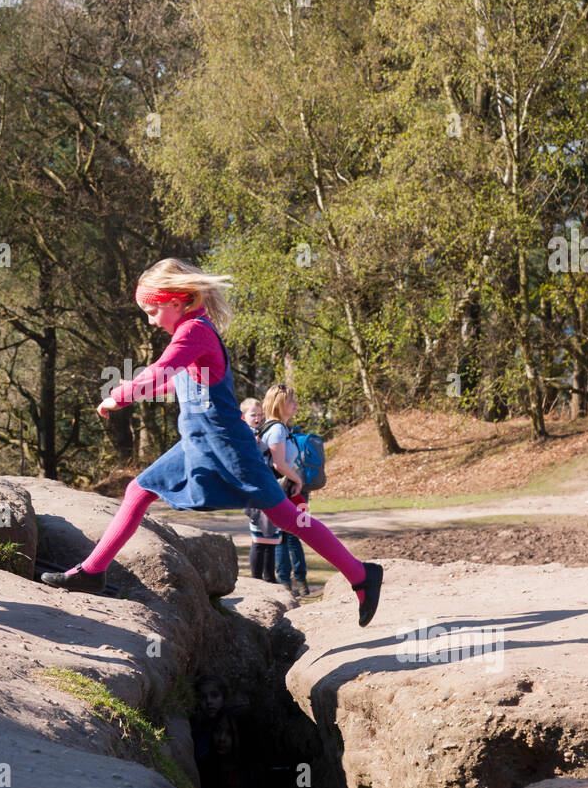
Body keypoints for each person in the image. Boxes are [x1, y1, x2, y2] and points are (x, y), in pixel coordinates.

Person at [39, 258, 383, 627]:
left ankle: (362, 575)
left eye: (152, 311)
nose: (151, 320)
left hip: (227, 445)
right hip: (196, 442)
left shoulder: (194, 331)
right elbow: (175, 381)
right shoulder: (190, 333)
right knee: (138, 490)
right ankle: (93, 570)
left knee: (286, 516)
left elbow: (161, 370)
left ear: (175, 301)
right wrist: (136, 395)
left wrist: (120, 395)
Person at [260, 384, 313, 598]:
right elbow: (279, 464)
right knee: (287, 535)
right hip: (284, 488)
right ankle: (287, 583)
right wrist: (298, 479)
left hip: (287, 487)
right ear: (280, 404)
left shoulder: (282, 428)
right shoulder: (277, 429)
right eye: (292, 401)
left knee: (292, 534)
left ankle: (297, 582)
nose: (296, 404)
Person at [239, 397, 279, 583]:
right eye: (253, 415)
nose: (258, 418)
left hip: (269, 486)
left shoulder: (263, 432)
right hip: (254, 491)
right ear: (244, 416)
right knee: (258, 538)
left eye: (260, 415)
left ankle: (270, 577)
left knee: (272, 538)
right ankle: (256, 579)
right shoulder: (242, 433)